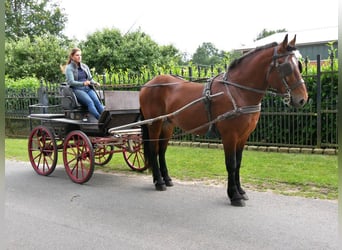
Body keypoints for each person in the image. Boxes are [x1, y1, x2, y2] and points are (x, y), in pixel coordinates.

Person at [64, 48, 104, 119]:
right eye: (77, 55)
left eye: (80, 55)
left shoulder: (85, 66)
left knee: (97, 102)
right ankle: (100, 119)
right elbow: (71, 82)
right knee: (90, 102)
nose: (79, 57)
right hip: (77, 89)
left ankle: (107, 118)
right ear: (72, 57)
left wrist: (95, 83)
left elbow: (90, 79)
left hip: (88, 88)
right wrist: (83, 83)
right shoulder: (69, 68)